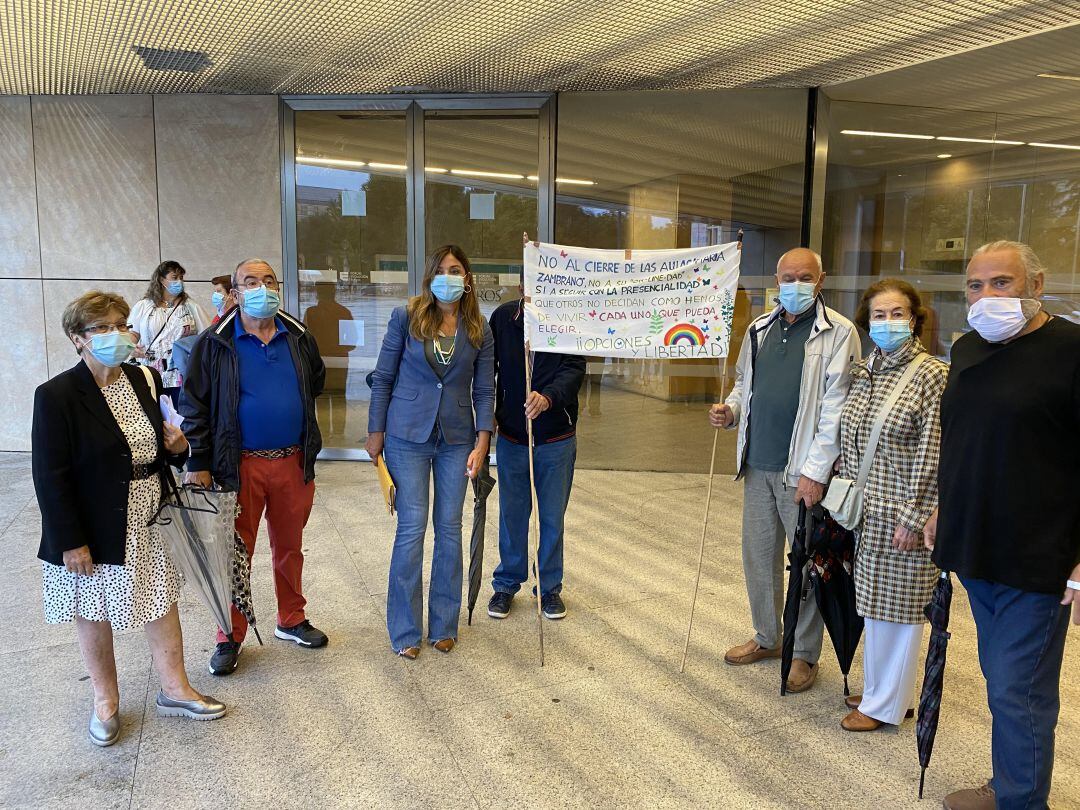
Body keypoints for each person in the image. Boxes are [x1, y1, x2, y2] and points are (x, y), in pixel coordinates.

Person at [924, 241, 1080, 810]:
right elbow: (964, 440)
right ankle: (1012, 782)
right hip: (976, 548)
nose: (985, 296)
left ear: (1036, 285)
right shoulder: (966, 350)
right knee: (1001, 680)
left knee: (1021, 691)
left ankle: (1021, 800)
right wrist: (945, 508)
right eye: (974, 285)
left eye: (1002, 283)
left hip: (1039, 558)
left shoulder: (1071, 350)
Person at [32, 292, 225, 746]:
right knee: (93, 609)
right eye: (102, 328)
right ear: (77, 339)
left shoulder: (143, 378)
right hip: (93, 521)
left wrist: (178, 450)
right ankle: (105, 701)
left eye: (121, 323)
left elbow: (159, 445)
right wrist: (70, 540)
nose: (117, 334)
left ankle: (175, 688)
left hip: (149, 511)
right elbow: (49, 476)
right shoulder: (57, 395)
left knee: (160, 598)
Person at [709, 248, 859, 693]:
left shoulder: (838, 333)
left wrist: (816, 472)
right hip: (757, 465)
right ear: (777, 279)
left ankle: (803, 653)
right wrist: (731, 411)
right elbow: (743, 383)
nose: (795, 284)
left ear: (821, 279)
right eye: (788, 276)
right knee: (758, 558)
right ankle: (768, 637)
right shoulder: (759, 329)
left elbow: (836, 407)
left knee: (806, 565)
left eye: (805, 276)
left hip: (803, 474)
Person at [181, 259, 328, 676]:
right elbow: (193, 404)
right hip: (238, 466)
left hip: (292, 463)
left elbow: (315, 382)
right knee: (234, 553)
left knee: (289, 546)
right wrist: (200, 460)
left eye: (268, 281)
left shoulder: (298, 336)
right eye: (251, 282)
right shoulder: (216, 342)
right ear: (236, 292)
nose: (261, 288)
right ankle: (230, 633)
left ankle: (291, 618)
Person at [366, 245, 495, 659]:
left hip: (457, 439)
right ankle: (404, 630)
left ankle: (443, 624)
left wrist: (483, 438)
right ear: (429, 276)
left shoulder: (479, 328)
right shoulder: (406, 317)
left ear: (467, 278)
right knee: (411, 530)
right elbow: (383, 377)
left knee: (450, 530)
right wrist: (376, 431)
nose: (448, 277)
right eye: (440, 270)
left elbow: (484, 388)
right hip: (407, 435)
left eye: (455, 270)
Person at [835, 279, 948, 732]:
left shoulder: (930, 375)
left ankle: (885, 706)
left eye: (897, 313)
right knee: (877, 607)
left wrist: (915, 515)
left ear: (915, 319)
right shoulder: (867, 369)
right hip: (870, 512)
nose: (887, 323)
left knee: (900, 613)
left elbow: (933, 451)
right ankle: (885, 692)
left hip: (905, 514)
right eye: (879, 315)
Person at [486, 292, 585, 621]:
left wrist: (548, 398)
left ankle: (549, 586)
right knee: (512, 516)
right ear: (521, 285)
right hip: (513, 436)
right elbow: (487, 369)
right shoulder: (503, 319)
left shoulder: (568, 318)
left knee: (552, 518)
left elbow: (574, 369)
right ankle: (506, 582)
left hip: (556, 435)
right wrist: (490, 417)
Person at [129, 260, 211, 406]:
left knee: (179, 418)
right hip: (148, 374)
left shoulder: (191, 307)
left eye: (181, 278)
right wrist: (130, 347)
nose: (179, 281)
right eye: (174, 277)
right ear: (161, 279)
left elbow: (208, 335)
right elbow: (133, 333)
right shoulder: (144, 306)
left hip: (180, 375)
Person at [303, 283, 356, 439]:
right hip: (339, 361)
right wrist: (337, 349)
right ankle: (339, 433)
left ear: (317, 294)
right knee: (339, 396)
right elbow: (352, 341)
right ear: (334, 293)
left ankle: (324, 433)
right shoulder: (343, 312)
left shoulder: (311, 313)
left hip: (317, 361)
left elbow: (304, 340)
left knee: (321, 397)